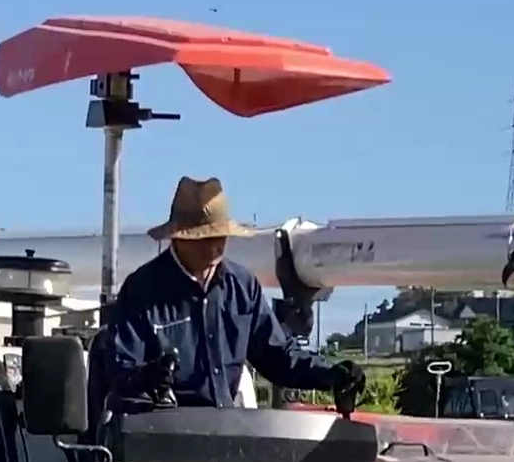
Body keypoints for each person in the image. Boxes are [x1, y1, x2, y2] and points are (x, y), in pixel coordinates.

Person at [89, 176, 332, 418]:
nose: (217, 245)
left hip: (225, 435)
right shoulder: (142, 290)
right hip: (163, 436)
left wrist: (330, 375)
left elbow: (278, 356)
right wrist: (147, 377)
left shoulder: (242, 287)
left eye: (221, 236)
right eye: (206, 237)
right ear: (179, 238)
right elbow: (119, 368)